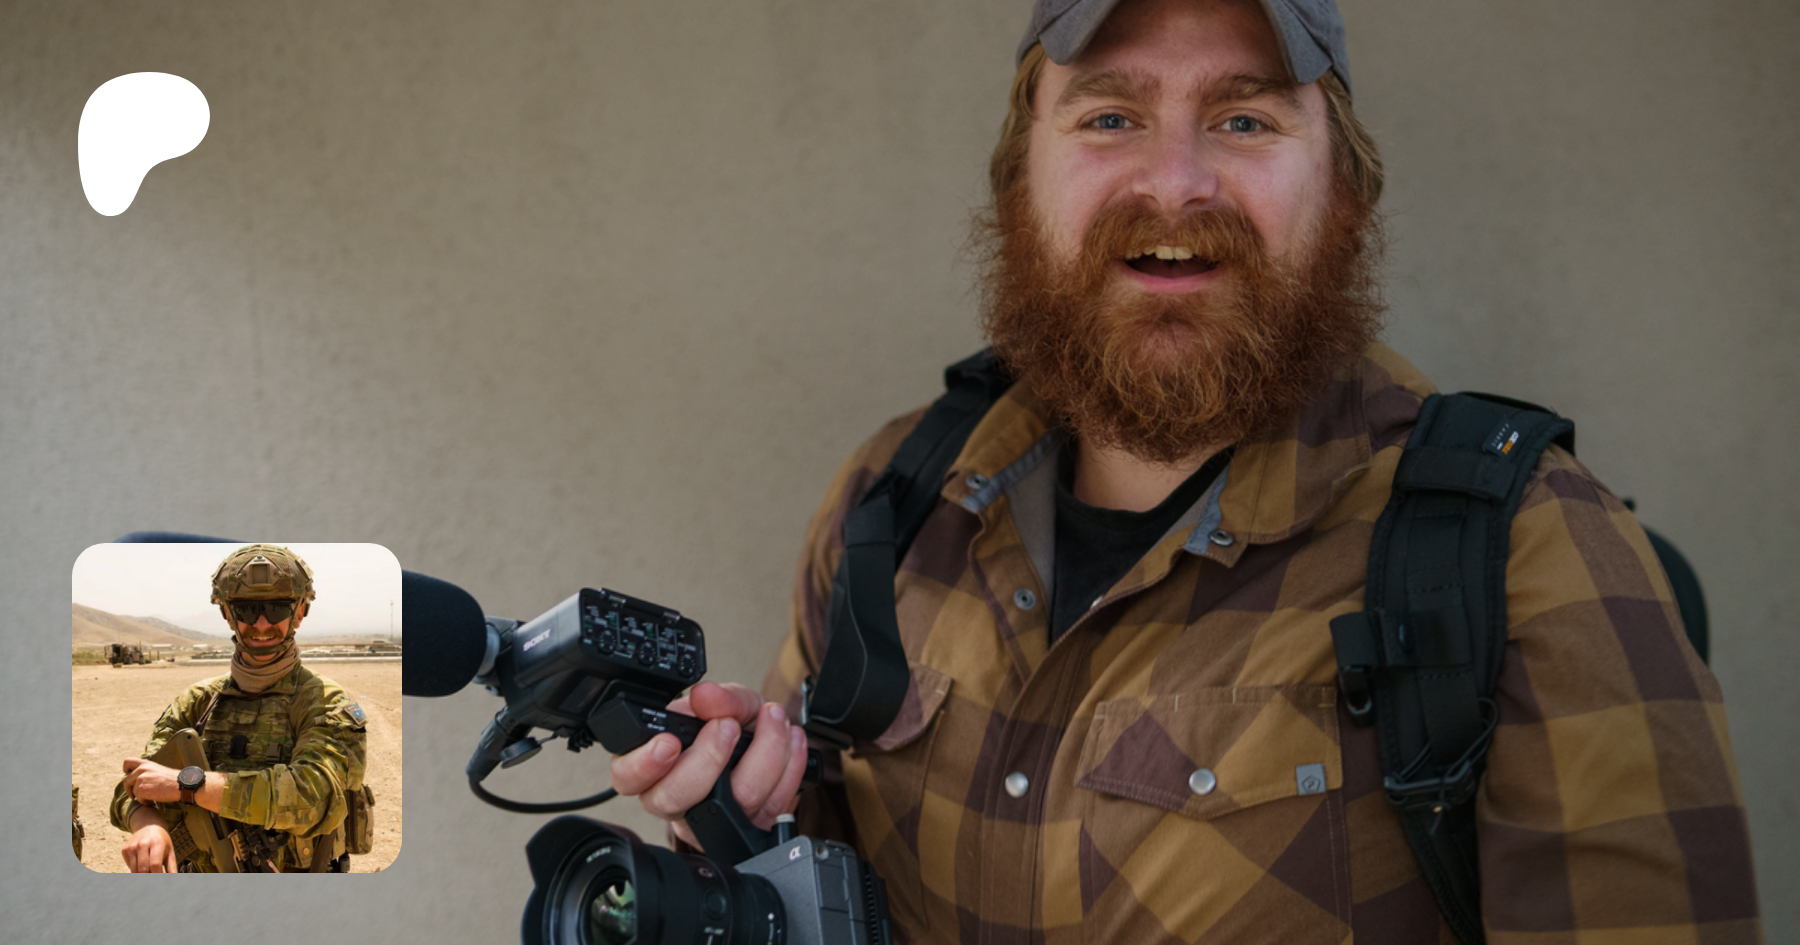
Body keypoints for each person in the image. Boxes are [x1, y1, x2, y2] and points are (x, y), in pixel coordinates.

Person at [611, 1, 1762, 941]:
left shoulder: (1530, 549)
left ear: (1345, 190)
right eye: (1110, 116)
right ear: (1020, 184)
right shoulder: (890, 501)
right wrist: (743, 820)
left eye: (1245, 120)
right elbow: (819, 879)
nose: (1176, 184)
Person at [110, 544, 369, 873]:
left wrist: (189, 785)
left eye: (276, 609)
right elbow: (133, 786)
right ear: (227, 614)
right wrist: (147, 824)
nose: (261, 624)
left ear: (299, 612)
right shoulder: (197, 702)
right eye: (246, 610)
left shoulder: (325, 702)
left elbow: (315, 798)